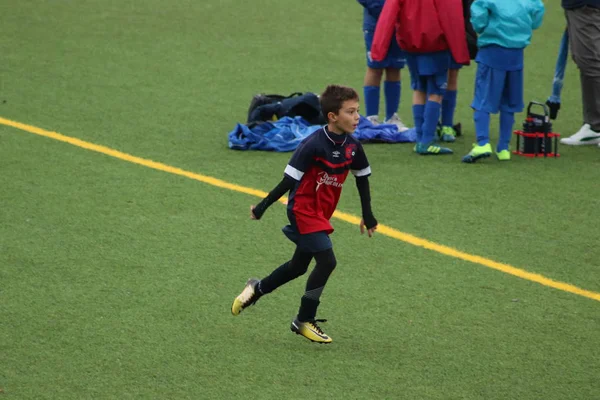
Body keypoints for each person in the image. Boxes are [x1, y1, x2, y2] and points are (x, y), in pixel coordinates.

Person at [231, 85, 378, 344]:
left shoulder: (353, 146)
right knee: (327, 261)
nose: (357, 117)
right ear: (332, 116)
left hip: (322, 213)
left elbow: (362, 179)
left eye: (358, 111)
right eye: (351, 112)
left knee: (298, 266)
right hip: (303, 210)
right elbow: (288, 181)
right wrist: (262, 207)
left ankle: (257, 288)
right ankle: (303, 319)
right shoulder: (312, 144)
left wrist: (368, 214)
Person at [371, 0, 470, 155]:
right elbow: (452, 16)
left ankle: (419, 138)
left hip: (410, 43)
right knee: (436, 91)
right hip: (436, 43)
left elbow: (389, 12)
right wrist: (460, 51)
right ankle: (427, 140)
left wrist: (379, 47)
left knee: (419, 88)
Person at [462, 0, 545, 163]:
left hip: (492, 51)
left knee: (482, 98)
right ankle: (503, 147)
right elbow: (537, 14)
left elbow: (478, 17)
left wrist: (482, 26)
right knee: (509, 102)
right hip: (516, 55)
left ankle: (483, 142)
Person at [357, 0, 409, 131]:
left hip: (398, 22)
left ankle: (392, 117)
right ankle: (371, 118)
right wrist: (382, 10)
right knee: (375, 67)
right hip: (376, 22)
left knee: (395, 68)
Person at [558, 0, 600, 146]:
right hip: (581, 6)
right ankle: (594, 125)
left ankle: (596, 124)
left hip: (587, 6)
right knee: (587, 61)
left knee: (590, 62)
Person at [438, 0, 478, 143]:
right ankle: (430, 125)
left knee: (451, 76)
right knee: (431, 80)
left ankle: (446, 125)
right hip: (433, 30)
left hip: (455, 31)